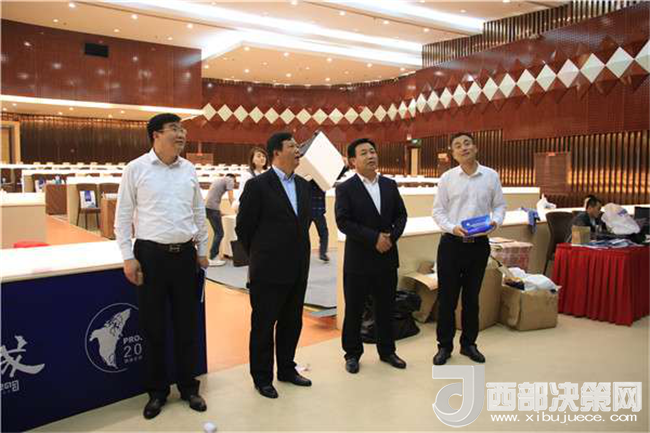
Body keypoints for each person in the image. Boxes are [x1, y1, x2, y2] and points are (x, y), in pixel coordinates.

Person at [114, 113, 208, 419]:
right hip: (150, 256)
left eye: (182, 129)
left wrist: (202, 249)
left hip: (184, 256)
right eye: (174, 129)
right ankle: (157, 392)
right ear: (156, 134)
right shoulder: (136, 168)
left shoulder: (189, 169)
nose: (181, 134)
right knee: (153, 327)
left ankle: (189, 387)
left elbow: (198, 211)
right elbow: (123, 216)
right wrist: (128, 257)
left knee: (187, 325)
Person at [235, 132, 312, 399]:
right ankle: (262, 377)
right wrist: (261, 255)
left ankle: (287, 369)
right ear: (276, 153)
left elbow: (304, 225)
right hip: (268, 269)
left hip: (298, 268)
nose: (297, 150)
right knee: (264, 326)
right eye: (292, 146)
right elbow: (243, 228)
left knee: (292, 322)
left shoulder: (303, 185)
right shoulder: (258, 186)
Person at [431, 132, 506, 366]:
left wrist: (496, 222)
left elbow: (499, 206)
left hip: (479, 246)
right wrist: (453, 228)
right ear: (453, 153)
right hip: (451, 245)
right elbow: (438, 211)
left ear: (475, 147)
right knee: (447, 299)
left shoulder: (491, 176)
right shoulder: (447, 178)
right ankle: (444, 346)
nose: (463, 148)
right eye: (457, 145)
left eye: (467, 143)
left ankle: (469, 344)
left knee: (472, 299)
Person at [335, 138, 408, 374]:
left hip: (387, 257)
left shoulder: (389, 184)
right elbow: (343, 221)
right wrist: (374, 238)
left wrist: (390, 238)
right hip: (359, 260)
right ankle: (352, 354)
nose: (371, 156)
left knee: (385, 308)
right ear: (352, 161)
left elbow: (401, 215)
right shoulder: (345, 188)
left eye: (373, 151)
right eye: (364, 153)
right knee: (354, 309)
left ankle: (387, 351)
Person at [205, 174, 235, 266]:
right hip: (213, 209)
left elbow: (212, 196)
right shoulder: (230, 179)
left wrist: (219, 212)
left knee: (217, 233)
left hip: (208, 208)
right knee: (220, 233)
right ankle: (213, 257)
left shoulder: (218, 180)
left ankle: (214, 256)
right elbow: (231, 198)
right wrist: (236, 209)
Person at [232, 147, 268, 212]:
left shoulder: (262, 175)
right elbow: (244, 195)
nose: (262, 158)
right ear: (252, 160)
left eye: (264, 156)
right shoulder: (247, 175)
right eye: (259, 156)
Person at [310, 180, 330, 262]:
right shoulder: (322, 181)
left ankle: (322, 254)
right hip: (317, 211)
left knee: (302, 234)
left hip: (309, 211)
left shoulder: (305, 181)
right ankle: (322, 253)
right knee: (324, 234)